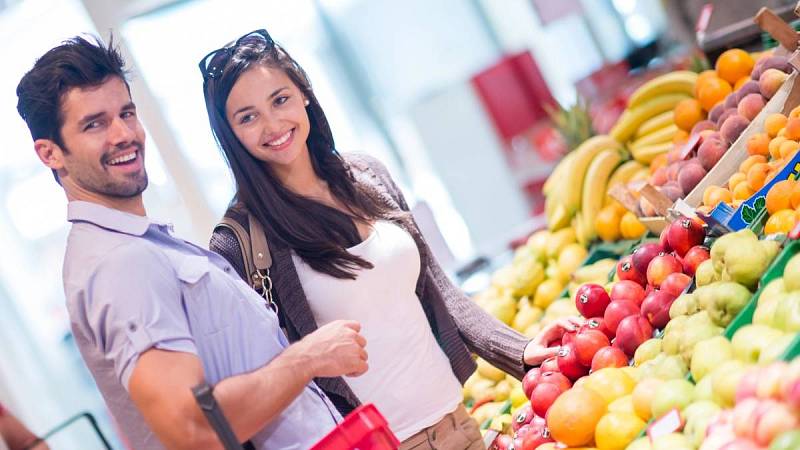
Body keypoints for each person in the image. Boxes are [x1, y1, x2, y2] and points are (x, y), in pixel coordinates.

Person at [203, 29, 580, 449]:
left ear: (304, 94)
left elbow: (437, 290)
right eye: (248, 117)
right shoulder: (239, 243)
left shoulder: (365, 175)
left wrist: (519, 349)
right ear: (230, 135)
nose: (273, 125)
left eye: (280, 99)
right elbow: (257, 382)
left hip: (458, 422)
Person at [16, 35, 370, 450]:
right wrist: (307, 358)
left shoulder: (143, 246)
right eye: (94, 124)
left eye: (126, 113)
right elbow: (191, 430)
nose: (123, 134)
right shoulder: (119, 263)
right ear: (50, 153)